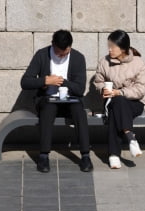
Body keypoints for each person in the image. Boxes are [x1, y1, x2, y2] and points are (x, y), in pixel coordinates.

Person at [20, 29, 93, 173]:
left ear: (70, 47)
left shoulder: (78, 58)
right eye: (58, 52)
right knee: (48, 109)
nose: (60, 56)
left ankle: (85, 155)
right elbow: (25, 82)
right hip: (47, 99)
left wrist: (61, 82)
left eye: (64, 53)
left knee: (79, 110)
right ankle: (43, 155)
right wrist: (45, 81)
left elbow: (79, 89)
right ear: (52, 44)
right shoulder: (42, 55)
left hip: (71, 99)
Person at [94, 30, 145, 169]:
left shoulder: (138, 62)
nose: (109, 49)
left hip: (135, 103)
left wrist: (120, 92)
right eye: (108, 46)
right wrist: (102, 89)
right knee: (117, 103)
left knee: (118, 104)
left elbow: (141, 89)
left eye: (113, 47)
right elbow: (98, 82)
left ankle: (113, 155)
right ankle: (130, 137)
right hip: (111, 100)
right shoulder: (104, 62)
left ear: (123, 48)